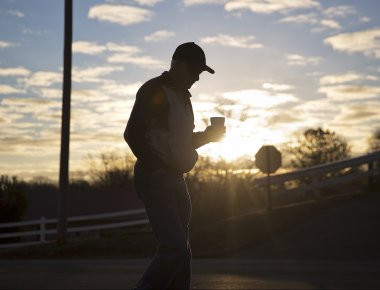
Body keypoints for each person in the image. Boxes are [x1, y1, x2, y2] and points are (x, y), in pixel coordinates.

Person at [124, 42, 225, 290]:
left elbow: (180, 143)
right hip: (157, 178)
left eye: (200, 74)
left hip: (176, 179)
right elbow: (132, 134)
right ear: (177, 65)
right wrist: (155, 167)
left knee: (182, 251)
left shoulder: (182, 97)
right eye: (194, 72)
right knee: (175, 249)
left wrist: (207, 137)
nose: (197, 78)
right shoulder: (155, 90)